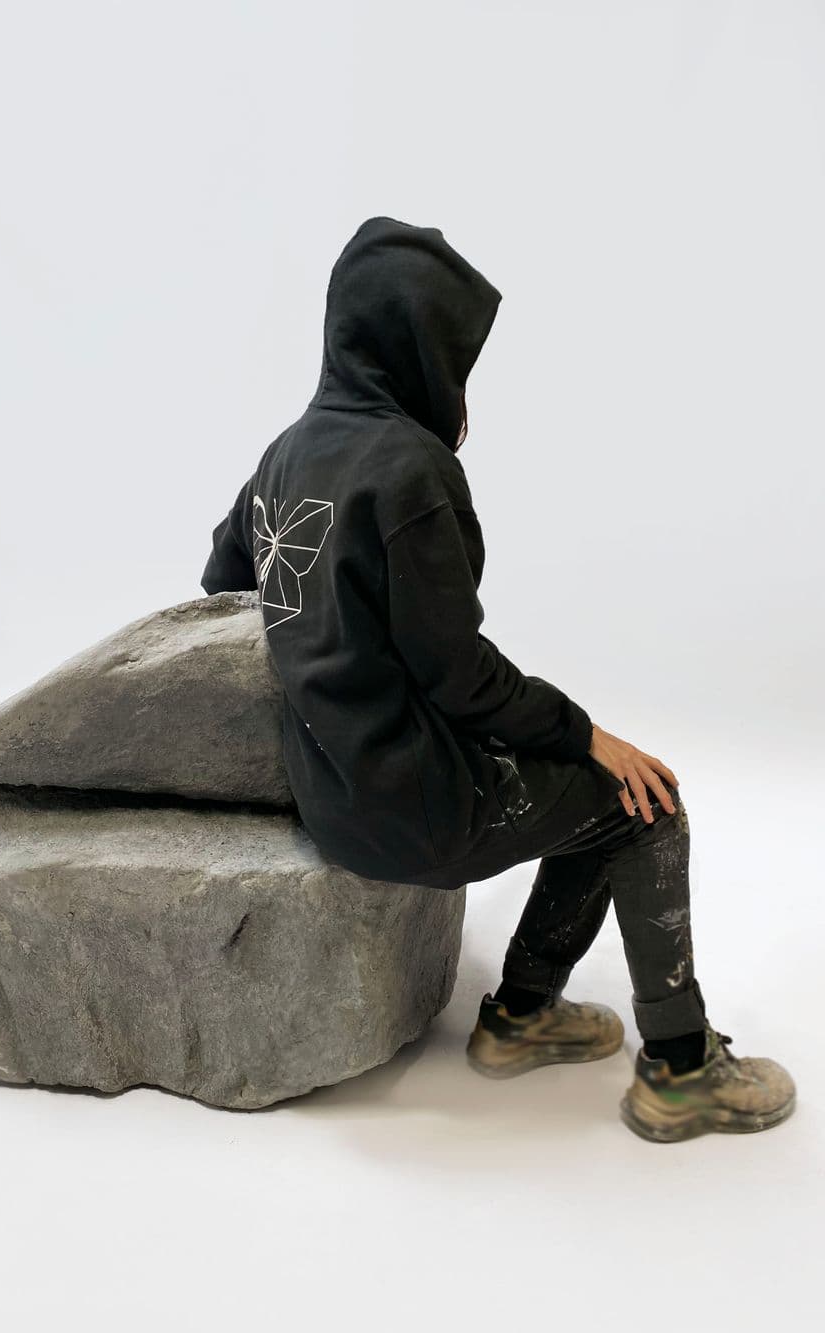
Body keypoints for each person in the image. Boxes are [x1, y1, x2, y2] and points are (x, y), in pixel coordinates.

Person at [200, 214, 796, 1143]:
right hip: (414, 808)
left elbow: (222, 581)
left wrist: (330, 663)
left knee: (590, 795)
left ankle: (524, 1015)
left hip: (331, 795)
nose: (462, 387)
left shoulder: (286, 454)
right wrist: (586, 730)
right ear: (413, 348)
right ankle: (680, 1070)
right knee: (644, 801)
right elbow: (461, 677)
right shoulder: (408, 468)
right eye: (455, 358)